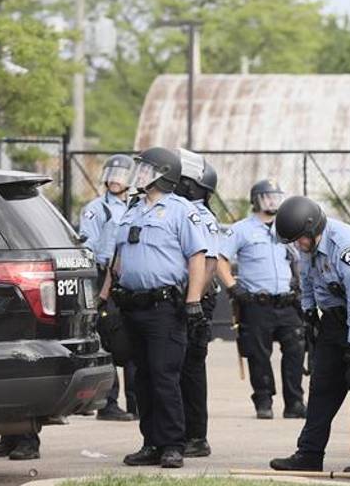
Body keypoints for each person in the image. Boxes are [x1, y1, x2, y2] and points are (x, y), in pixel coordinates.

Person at [99, 146, 210, 469]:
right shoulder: (131, 210)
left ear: (163, 173)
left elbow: (198, 256)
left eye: (146, 168)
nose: (140, 173)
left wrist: (193, 301)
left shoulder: (180, 210)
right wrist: (103, 299)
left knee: (164, 376)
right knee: (142, 378)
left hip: (165, 308)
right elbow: (117, 261)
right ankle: (151, 442)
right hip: (132, 306)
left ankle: (173, 443)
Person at [269, 196, 350, 474]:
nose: (298, 245)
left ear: (312, 229)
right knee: (321, 387)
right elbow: (308, 278)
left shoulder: (346, 245)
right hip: (334, 320)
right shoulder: (307, 243)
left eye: (300, 239)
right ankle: (309, 453)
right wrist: (308, 312)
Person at [217, 179, 306, 420]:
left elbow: (302, 257)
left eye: (276, 196)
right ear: (256, 200)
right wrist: (233, 288)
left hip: (287, 302)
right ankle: (264, 401)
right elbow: (220, 259)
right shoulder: (241, 229)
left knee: (296, 351)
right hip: (257, 303)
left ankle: (295, 402)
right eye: (267, 196)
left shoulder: (286, 227)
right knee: (258, 354)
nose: (273, 201)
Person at [78, 154, 137, 422]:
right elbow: (87, 247)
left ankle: (137, 402)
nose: (116, 179)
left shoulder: (136, 207)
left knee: (135, 339)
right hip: (104, 276)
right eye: (112, 173)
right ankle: (108, 403)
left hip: (131, 278)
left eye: (122, 174)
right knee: (110, 340)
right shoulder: (96, 208)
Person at [173, 149, 222, 458]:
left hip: (195, 301)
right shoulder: (175, 210)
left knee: (190, 369)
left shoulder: (200, 216)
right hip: (179, 298)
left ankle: (196, 436)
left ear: (192, 185)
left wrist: (193, 303)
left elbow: (210, 264)